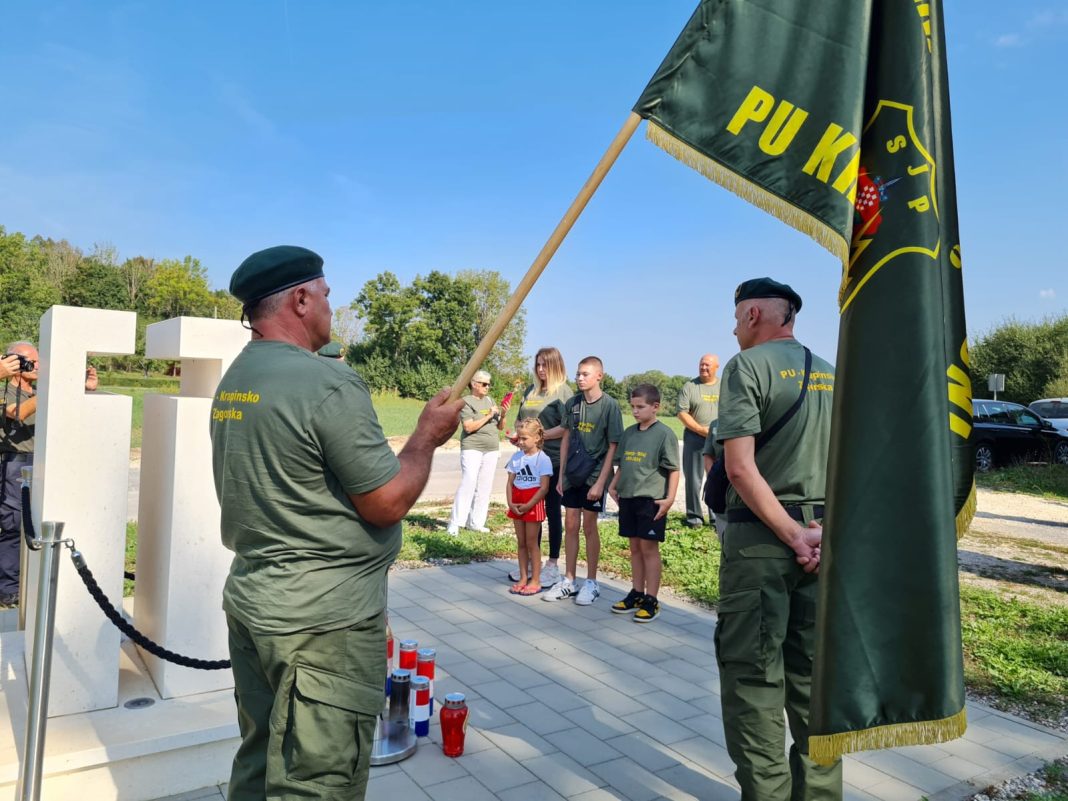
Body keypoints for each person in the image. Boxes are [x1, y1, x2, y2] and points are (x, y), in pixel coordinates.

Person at [210, 245, 462, 801]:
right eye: (326, 294)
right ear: (301, 299)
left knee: (259, 760)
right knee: (318, 783)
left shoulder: (239, 377)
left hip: (257, 605)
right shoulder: (326, 383)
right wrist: (426, 437)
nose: (330, 305)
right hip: (321, 626)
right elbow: (387, 501)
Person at [714, 278, 840, 800]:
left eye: (736, 318)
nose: (734, 330)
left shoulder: (745, 367)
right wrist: (818, 535)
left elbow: (739, 469)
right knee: (814, 685)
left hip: (764, 544)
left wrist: (792, 536)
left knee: (754, 683)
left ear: (752, 316)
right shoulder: (831, 372)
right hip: (824, 543)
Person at [0, 343, 97, 608]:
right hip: (16, 463)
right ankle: (8, 589)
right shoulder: (5, 390)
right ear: (14, 362)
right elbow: (18, 413)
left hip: (46, 460)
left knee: (43, 521)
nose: (39, 366)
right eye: (32, 361)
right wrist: (59, 385)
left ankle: (34, 580)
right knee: (14, 525)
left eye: (40, 361)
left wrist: (82, 389)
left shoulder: (41, 392)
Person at [543, 356, 623, 606]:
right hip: (572, 474)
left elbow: (613, 445)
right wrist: (561, 475)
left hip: (595, 473)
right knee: (570, 524)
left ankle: (591, 582)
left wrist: (601, 482)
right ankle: (569, 580)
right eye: (578, 374)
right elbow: (566, 437)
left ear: (599, 376)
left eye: (585, 374)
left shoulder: (610, 406)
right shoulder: (573, 403)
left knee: (589, 526)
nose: (579, 378)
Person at [608, 384, 680, 623]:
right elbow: (622, 465)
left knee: (649, 549)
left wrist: (670, 499)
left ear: (655, 407)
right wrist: (613, 485)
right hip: (628, 498)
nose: (635, 411)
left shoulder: (664, 434)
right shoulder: (629, 433)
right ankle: (637, 593)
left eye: (640, 407)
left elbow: (673, 469)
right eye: (632, 407)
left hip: (651, 500)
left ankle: (652, 599)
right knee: (635, 548)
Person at [508, 346, 571, 587]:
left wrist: (538, 438)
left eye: (546, 364)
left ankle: (552, 564)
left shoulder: (563, 392)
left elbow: (566, 427)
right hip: (528, 461)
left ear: (556, 366)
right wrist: (519, 435)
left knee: (551, 512)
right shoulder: (531, 390)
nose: (541, 369)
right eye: (538, 364)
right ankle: (531, 563)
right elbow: (520, 418)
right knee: (532, 514)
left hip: (551, 460)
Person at [448, 369, 504, 536]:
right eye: (484, 384)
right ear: (474, 384)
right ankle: (455, 523)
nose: (487, 387)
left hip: (491, 448)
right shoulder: (465, 402)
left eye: (489, 384)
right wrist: (489, 415)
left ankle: (476, 522)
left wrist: (503, 414)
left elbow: (500, 426)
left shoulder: (490, 400)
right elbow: (469, 427)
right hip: (473, 447)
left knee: (484, 486)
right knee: (469, 482)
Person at [505, 418, 553, 596]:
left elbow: (544, 487)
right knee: (521, 542)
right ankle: (523, 577)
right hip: (517, 501)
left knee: (532, 542)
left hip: (533, 502)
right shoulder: (516, 457)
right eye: (519, 438)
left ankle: (536, 580)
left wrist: (529, 505)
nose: (520, 442)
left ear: (537, 438)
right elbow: (510, 482)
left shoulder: (543, 459)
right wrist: (510, 503)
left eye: (525, 438)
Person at [677, 354, 720, 528]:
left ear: (716, 367)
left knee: (716, 476)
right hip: (694, 437)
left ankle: (717, 516)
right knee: (693, 479)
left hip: (718, 438)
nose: (703, 368)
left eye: (707, 365)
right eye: (701, 364)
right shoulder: (690, 386)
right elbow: (682, 412)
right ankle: (694, 517)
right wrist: (701, 430)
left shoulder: (724, 386)